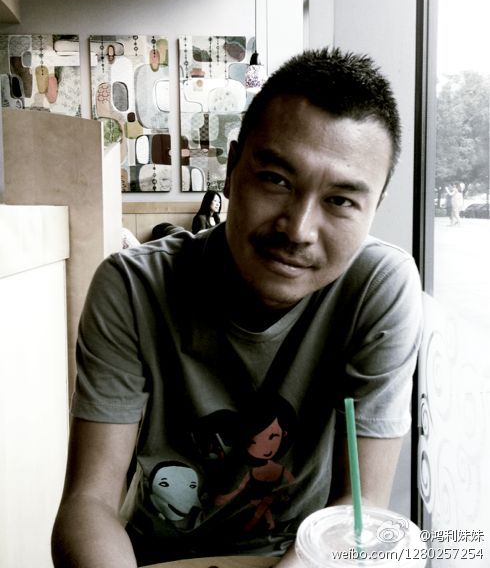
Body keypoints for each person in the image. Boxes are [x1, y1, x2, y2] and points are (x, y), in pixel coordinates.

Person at [51, 47, 423, 568]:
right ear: (230, 170)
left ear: (374, 210)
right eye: (276, 179)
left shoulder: (378, 289)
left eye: (341, 200)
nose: (298, 230)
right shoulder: (133, 288)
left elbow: (357, 510)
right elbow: (90, 502)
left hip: (301, 556)